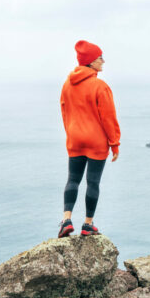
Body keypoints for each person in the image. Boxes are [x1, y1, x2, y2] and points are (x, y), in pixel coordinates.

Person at [58, 40, 121, 238]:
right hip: (96, 141)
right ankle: (88, 224)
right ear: (91, 62)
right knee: (92, 182)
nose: (103, 61)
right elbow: (108, 118)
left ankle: (66, 220)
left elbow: (64, 111)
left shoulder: (67, 84)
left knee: (73, 180)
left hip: (75, 138)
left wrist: (71, 132)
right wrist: (115, 143)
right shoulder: (99, 86)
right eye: (99, 58)